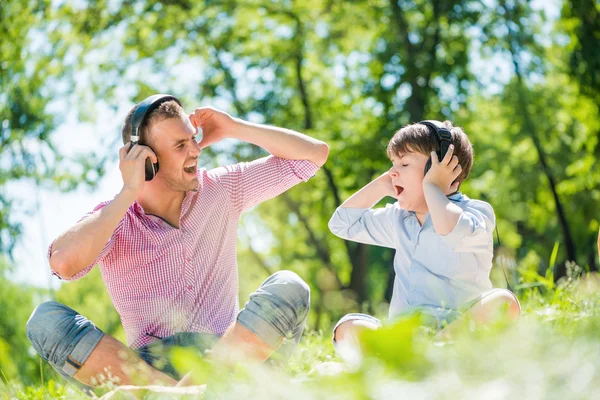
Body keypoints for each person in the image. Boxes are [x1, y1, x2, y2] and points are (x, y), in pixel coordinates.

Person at [26, 94, 329, 391]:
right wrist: (129, 190)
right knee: (45, 321)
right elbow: (63, 263)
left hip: (226, 360)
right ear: (146, 160)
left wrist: (234, 128)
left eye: (193, 139)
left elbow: (314, 155)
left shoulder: (221, 189)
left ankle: (179, 394)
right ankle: (184, 393)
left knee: (289, 285)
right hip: (147, 370)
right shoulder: (114, 218)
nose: (195, 150)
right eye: (181, 144)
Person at [328, 120, 520, 356]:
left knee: (503, 301)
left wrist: (432, 188)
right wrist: (382, 185)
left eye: (405, 162)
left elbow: (450, 230)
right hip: (405, 335)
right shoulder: (397, 218)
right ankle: (412, 355)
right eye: (393, 164)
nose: (393, 171)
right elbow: (341, 224)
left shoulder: (476, 213)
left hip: (459, 332)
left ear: (440, 168)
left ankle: (431, 353)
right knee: (348, 327)